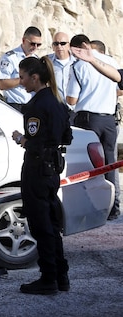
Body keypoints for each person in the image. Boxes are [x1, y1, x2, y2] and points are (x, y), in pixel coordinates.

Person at [11, 56, 72, 295]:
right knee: (52, 223)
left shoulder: (37, 105)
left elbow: (34, 142)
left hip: (37, 168)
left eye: (23, 77)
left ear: (34, 77)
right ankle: (60, 275)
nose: (21, 81)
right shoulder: (57, 101)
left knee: (41, 225)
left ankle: (48, 278)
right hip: (52, 169)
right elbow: (66, 137)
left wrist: (22, 139)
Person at [66, 34, 121, 220]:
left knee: (86, 164)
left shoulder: (78, 65)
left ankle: (89, 208)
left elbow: (71, 99)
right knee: (110, 164)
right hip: (109, 120)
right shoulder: (110, 61)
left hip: (88, 120)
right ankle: (113, 208)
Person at [0, 26, 43, 112]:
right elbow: (2, 84)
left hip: (33, 106)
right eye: (32, 44)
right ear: (23, 40)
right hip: (14, 106)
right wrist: (24, 80)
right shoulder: (10, 58)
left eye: (39, 45)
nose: (35, 47)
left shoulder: (37, 60)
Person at [46, 32, 75, 119]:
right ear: (52, 46)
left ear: (69, 45)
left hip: (74, 110)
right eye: (56, 44)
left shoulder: (77, 62)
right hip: (55, 109)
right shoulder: (47, 62)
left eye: (62, 43)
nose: (59, 46)